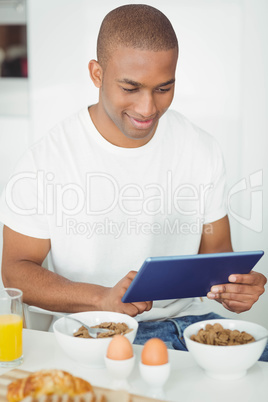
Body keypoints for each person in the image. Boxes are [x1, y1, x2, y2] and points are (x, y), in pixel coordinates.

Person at [0, 4, 267, 358]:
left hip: (188, 327)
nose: (147, 109)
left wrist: (234, 288)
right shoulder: (47, 158)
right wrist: (101, 298)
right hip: (92, 332)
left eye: (163, 88)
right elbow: (15, 271)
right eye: (130, 88)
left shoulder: (201, 148)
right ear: (97, 74)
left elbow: (215, 254)